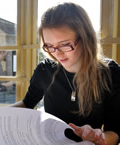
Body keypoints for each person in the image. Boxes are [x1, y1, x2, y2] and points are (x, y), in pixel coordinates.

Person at [9, 2, 120, 145]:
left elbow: (115, 132)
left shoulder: (111, 73)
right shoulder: (45, 70)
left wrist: (99, 138)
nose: (57, 53)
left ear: (85, 38)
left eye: (64, 44)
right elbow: (27, 103)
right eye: (49, 46)